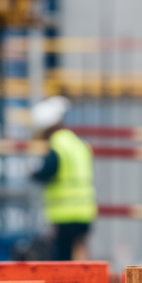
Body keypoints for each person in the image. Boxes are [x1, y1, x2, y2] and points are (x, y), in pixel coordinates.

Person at [30, 96, 96, 261]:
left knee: (64, 259)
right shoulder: (77, 143)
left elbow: (48, 170)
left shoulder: (58, 144)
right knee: (80, 254)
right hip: (85, 211)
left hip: (65, 214)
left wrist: (33, 173)